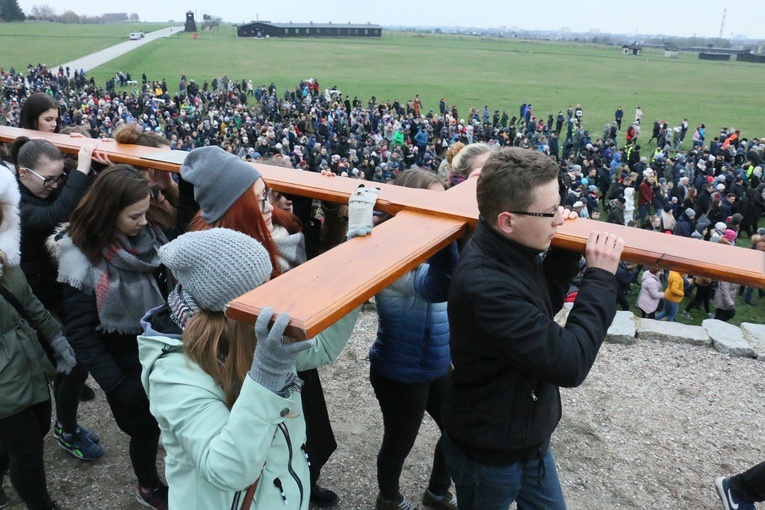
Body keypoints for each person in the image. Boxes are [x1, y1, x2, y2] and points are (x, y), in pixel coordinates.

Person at [441, 147, 624, 510]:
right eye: (549, 212)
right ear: (507, 220)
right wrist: (600, 279)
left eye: (560, 205)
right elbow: (570, 362)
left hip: (527, 438)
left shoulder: (508, 251)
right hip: (490, 452)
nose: (559, 219)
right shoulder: (486, 285)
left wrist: (565, 251)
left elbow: (538, 303)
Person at [179, 146, 362, 507]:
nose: (271, 207)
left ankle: (303, 483)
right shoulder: (229, 269)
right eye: (262, 199)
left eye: (271, 195)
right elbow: (318, 347)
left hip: (286, 360)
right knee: (272, 444)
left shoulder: (282, 229)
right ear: (236, 210)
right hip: (265, 364)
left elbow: (315, 252)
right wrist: (358, 263)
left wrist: (324, 203)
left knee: (311, 438)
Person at [137, 226, 360, 509]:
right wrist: (266, 379)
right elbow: (227, 470)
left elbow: (320, 348)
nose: (274, 292)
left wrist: (351, 276)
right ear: (234, 304)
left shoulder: (249, 332)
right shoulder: (173, 373)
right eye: (263, 286)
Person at [56, 166, 170, 510]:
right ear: (108, 212)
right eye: (134, 216)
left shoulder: (149, 240)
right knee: (145, 432)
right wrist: (118, 386)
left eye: (145, 213)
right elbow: (80, 332)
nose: (143, 222)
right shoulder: (80, 258)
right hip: (125, 366)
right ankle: (148, 485)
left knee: (161, 423)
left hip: (158, 352)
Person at [369, 169, 458, 510]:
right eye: (432, 203)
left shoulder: (437, 244)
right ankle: (388, 498)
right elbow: (436, 287)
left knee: (457, 430)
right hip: (399, 368)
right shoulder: (388, 251)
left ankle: (437, 492)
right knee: (400, 441)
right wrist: (449, 235)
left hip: (439, 362)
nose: (442, 210)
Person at [11, 137, 105, 461]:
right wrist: (78, 168)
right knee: (73, 362)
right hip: (36, 300)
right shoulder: (14, 202)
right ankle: (65, 430)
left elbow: (82, 197)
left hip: (58, 291)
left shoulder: (39, 188)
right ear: (23, 173)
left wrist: (93, 159)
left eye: (59, 178)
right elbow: (54, 215)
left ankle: (67, 423)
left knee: (76, 364)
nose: (55, 185)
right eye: (48, 179)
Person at [0, 166, 76, 510]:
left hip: (25, 357)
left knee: (39, 425)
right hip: (3, 372)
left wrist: (57, 340)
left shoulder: (6, 258)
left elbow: (30, 302)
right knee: (27, 447)